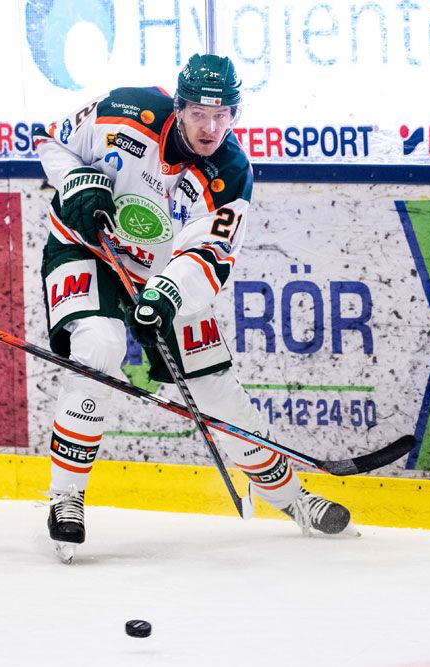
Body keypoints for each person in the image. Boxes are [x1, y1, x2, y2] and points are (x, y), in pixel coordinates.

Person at [33, 54, 353, 561]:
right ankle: (66, 497)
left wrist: (164, 293)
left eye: (223, 115)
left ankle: (294, 499)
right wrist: (76, 181)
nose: (211, 128)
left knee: (216, 390)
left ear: (236, 114)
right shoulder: (124, 109)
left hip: (165, 277)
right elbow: (51, 139)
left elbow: (209, 255)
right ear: (178, 108)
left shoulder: (231, 173)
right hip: (88, 249)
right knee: (98, 347)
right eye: (200, 115)